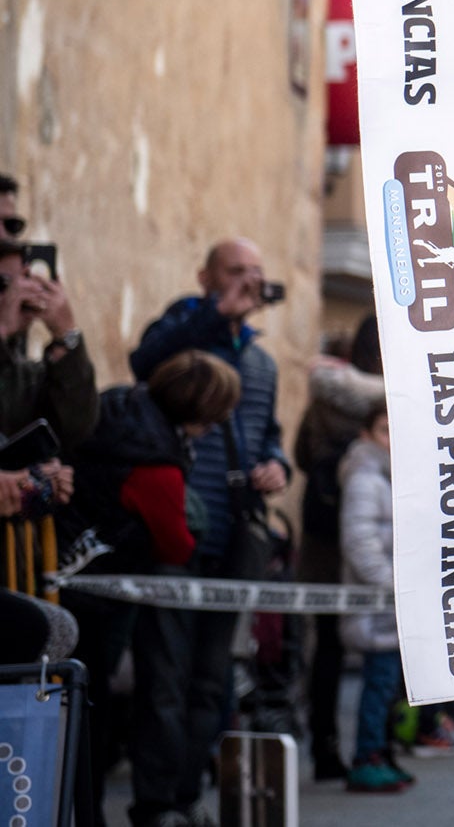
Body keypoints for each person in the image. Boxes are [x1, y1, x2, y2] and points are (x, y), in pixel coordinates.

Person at [128, 240, 293, 814]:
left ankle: (184, 794)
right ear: (206, 277)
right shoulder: (183, 326)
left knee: (211, 679)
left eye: (257, 273)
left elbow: (268, 433)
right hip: (176, 533)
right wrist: (214, 313)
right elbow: (142, 365)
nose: (249, 283)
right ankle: (153, 805)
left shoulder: (261, 362)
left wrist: (279, 464)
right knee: (164, 680)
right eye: (236, 273)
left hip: (234, 537)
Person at [61, 349, 241, 827]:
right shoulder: (156, 463)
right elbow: (175, 544)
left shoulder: (122, 408)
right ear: (203, 412)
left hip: (68, 568)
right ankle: (89, 815)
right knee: (93, 716)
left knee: (83, 711)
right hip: (100, 593)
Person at [295, 318, 385, 779]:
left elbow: (301, 456)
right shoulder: (399, 404)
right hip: (379, 546)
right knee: (384, 650)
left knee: (327, 649)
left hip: (324, 545)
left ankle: (325, 747)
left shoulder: (325, 401)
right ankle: (377, 748)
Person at [337, 402, 414, 793]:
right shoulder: (365, 479)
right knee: (377, 685)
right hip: (378, 607)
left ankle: (381, 754)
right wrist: (393, 587)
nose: (390, 439)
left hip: (393, 608)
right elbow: (360, 543)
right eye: (383, 429)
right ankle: (366, 758)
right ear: (365, 434)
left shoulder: (388, 477)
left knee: (388, 688)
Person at [0, 237, 98, 450]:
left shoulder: (20, 369)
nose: (17, 294)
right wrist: (2, 329)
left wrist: (66, 338)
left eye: (27, 281)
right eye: (5, 285)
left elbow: (75, 427)